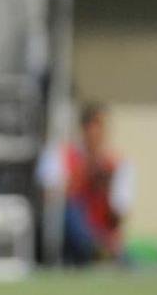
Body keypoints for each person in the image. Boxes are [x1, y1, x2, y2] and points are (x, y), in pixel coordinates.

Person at [37, 102, 135, 265]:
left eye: (101, 126)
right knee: (70, 209)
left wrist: (105, 186)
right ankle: (92, 249)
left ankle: (103, 252)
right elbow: (48, 197)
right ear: (83, 127)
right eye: (92, 125)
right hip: (68, 238)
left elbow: (120, 213)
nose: (96, 132)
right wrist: (81, 177)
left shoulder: (117, 165)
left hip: (103, 236)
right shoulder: (60, 155)